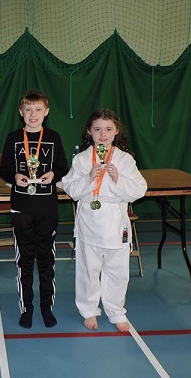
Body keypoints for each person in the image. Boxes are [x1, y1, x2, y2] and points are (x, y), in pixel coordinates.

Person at [61, 108, 147, 332]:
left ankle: (116, 311)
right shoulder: (81, 160)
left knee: (117, 271)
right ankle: (89, 309)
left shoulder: (125, 160)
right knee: (88, 270)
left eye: (108, 129)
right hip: (89, 221)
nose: (103, 134)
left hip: (115, 223)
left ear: (116, 131)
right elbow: (71, 189)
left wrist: (118, 178)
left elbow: (139, 190)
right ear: (89, 132)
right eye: (97, 129)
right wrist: (89, 178)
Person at [0, 89, 69, 329]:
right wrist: (16, 175)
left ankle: (46, 307)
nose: (33, 114)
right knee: (24, 260)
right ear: (21, 112)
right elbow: (4, 170)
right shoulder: (13, 138)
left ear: (46, 112)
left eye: (38, 109)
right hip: (21, 208)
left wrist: (54, 174)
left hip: (47, 208)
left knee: (47, 260)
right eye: (28, 109)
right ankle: (26, 308)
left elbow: (63, 166)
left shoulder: (53, 137)